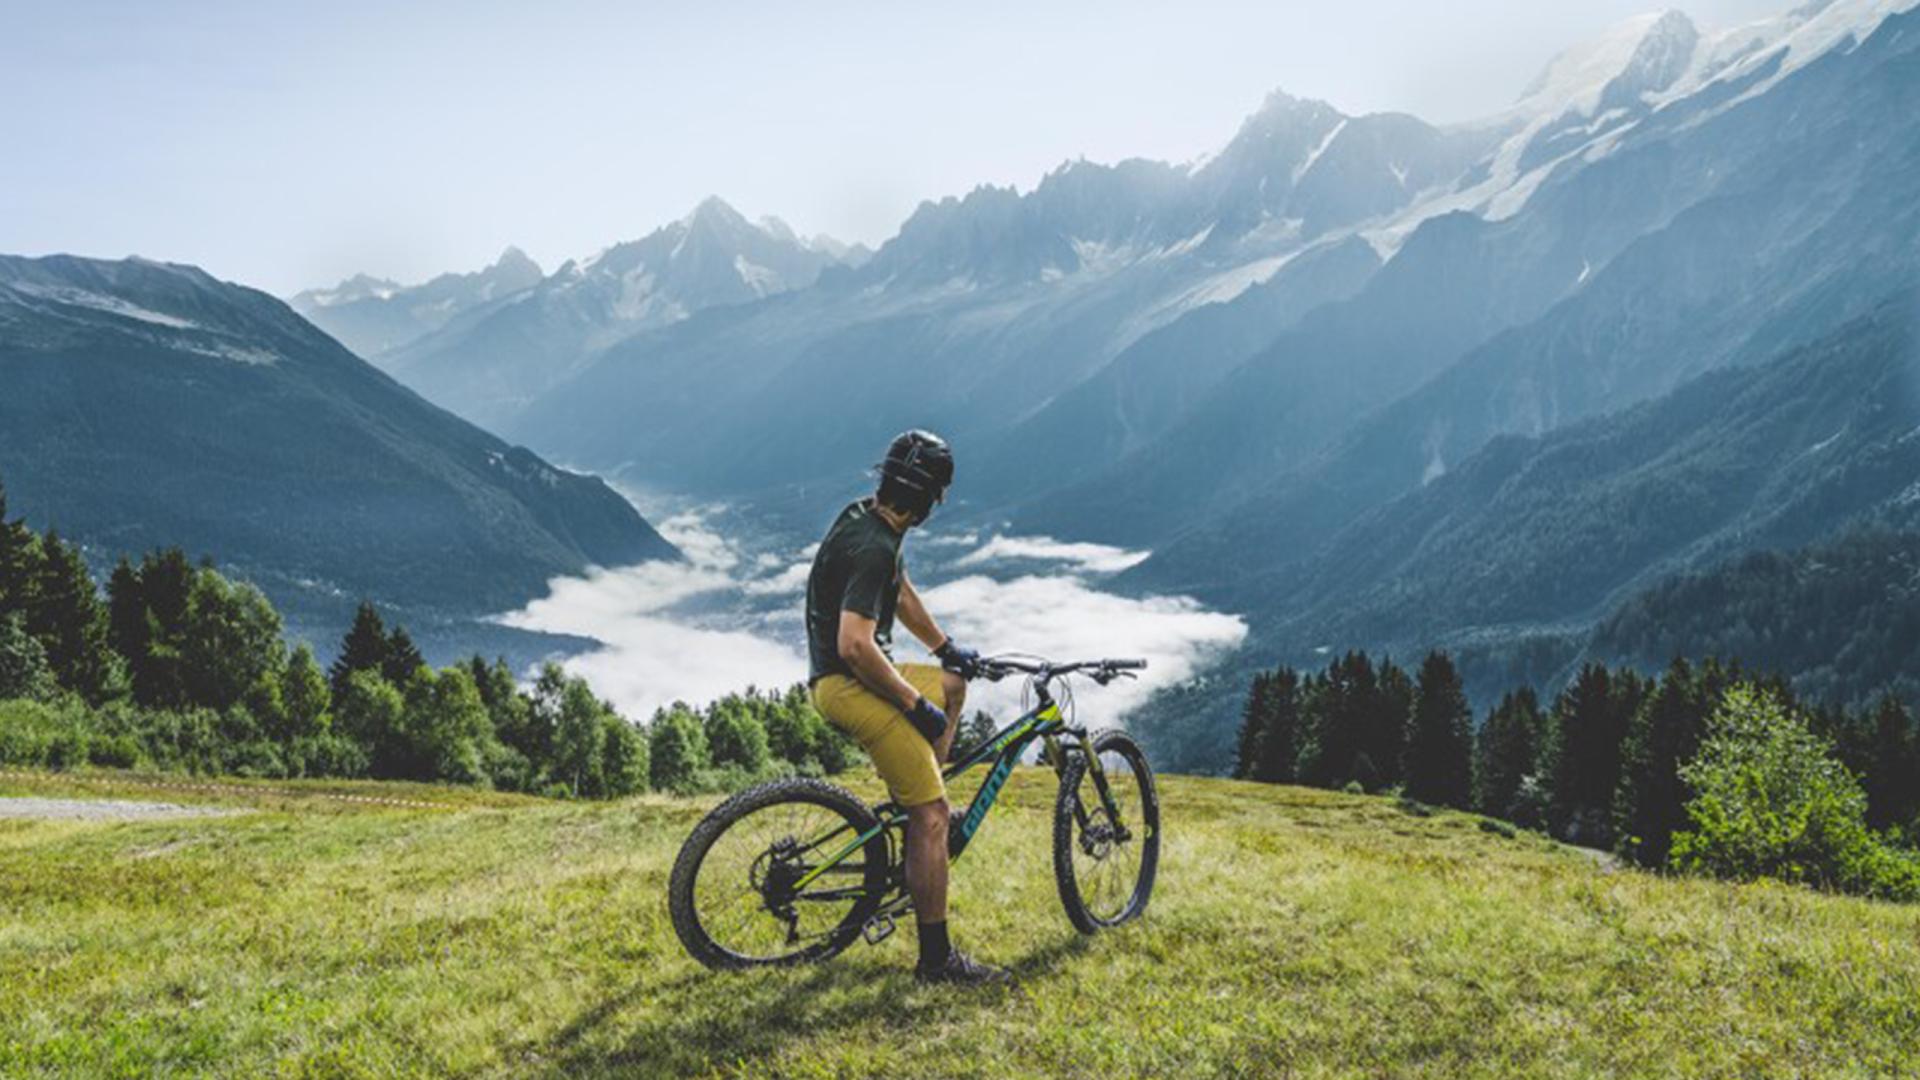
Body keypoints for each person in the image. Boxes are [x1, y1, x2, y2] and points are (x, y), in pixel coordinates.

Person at [805, 429, 1009, 985]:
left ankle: (925, 807)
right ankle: (936, 959)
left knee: (952, 686)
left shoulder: (867, 520)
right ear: (928, 500)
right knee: (931, 813)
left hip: (849, 675)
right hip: (846, 685)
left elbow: (898, 589)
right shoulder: (874, 547)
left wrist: (944, 649)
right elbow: (854, 645)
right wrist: (913, 704)